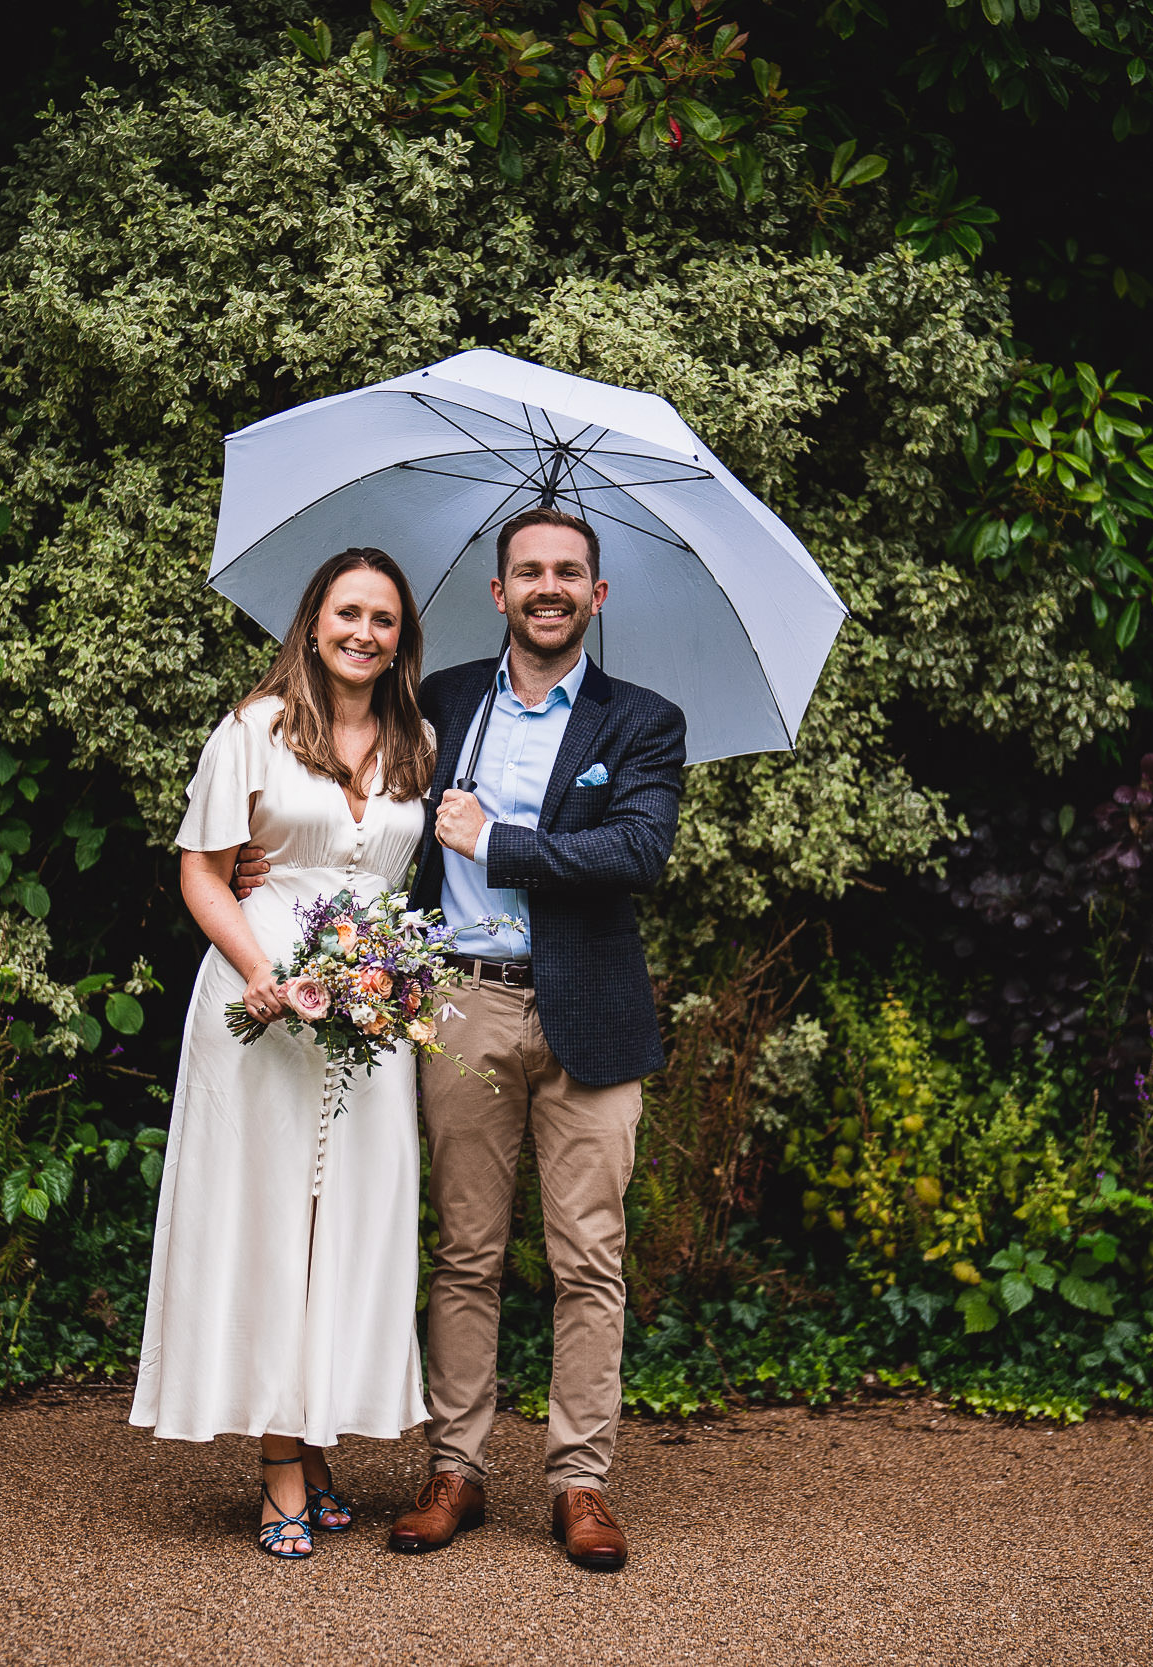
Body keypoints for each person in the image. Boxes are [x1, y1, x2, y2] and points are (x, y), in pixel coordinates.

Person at [390, 505, 685, 1571]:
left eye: (568, 571)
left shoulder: (641, 721)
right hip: (462, 1005)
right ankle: (455, 1468)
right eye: (529, 570)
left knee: (589, 1259)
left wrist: (500, 839)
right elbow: (365, 810)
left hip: (592, 1014)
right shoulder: (442, 701)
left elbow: (637, 852)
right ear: (498, 591)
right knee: (464, 1252)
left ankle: (580, 1482)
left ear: (595, 596)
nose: (548, 586)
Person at [130, 548, 438, 1560]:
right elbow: (205, 871)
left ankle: (315, 1439)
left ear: (402, 638)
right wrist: (262, 967)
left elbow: (393, 881)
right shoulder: (253, 730)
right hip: (262, 1005)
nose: (364, 632)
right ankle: (276, 1468)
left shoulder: (418, 740)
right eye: (347, 612)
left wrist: (392, 974)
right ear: (313, 622)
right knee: (267, 1219)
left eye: (383, 619)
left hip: (370, 1022)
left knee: (347, 1224)